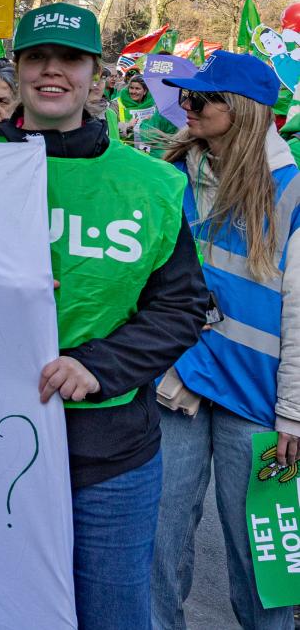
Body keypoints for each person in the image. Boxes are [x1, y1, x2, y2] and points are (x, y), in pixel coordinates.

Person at [0, 2, 209, 629]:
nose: (53, 71)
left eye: (70, 59)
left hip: (110, 454)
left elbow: (181, 305)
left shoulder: (150, 183)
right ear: (17, 69)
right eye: (38, 58)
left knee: (112, 614)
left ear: (96, 74)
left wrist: (94, 365)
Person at [152, 53, 300, 630]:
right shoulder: (168, 178)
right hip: (179, 384)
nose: (185, 109)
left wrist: (293, 412)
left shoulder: (291, 191)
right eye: (186, 99)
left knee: (265, 559)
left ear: (239, 111)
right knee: (157, 544)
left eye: (199, 100)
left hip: (262, 405)